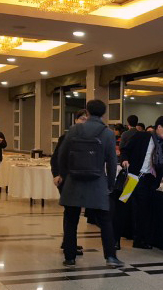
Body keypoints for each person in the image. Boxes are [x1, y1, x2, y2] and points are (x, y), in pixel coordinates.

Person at [56, 100, 124, 268]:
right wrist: (110, 184)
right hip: (97, 181)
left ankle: (70, 257)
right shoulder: (107, 133)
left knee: (71, 219)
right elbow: (111, 162)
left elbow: (62, 155)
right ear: (103, 113)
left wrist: (65, 175)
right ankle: (111, 257)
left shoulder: (74, 130)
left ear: (87, 112)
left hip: (74, 180)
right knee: (105, 220)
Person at [120, 115, 163, 249]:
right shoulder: (141, 137)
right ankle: (116, 239)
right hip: (132, 177)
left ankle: (139, 240)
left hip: (146, 180)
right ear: (159, 127)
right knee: (123, 207)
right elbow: (125, 150)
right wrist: (124, 160)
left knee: (143, 210)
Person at [52, 109, 89, 256]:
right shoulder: (65, 137)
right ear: (75, 120)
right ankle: (69, 246)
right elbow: (55, 158)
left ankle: (68, 242)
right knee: (71, 212)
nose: (84, 122)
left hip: (80, 180)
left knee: (72, 213)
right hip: (66, 179)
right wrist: (56, 174)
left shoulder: (89, 138)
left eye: (87, 120)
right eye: (82, 119)